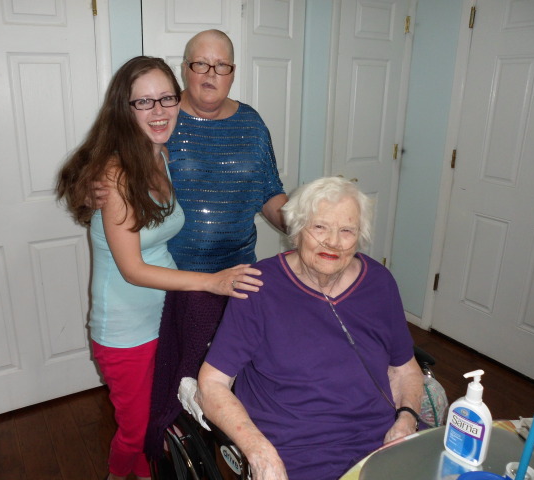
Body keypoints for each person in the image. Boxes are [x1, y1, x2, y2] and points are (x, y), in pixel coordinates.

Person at [55, 56, 262, 480]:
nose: (158, 110)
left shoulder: (160, 155)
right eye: (143, 102)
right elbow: (132, 268)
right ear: (124, 109)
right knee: (133, 432)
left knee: (160, 420)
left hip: (162, 315)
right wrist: (212, 282)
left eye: (166, 98)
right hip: (125, 330)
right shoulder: (116, 176)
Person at [196, 176, 424, 480]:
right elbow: (212, 383)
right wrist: (259, 452)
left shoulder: (379, 283)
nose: (333, 242)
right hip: (295, 453)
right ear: (297, 230)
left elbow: (405, 370)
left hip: (378, 444)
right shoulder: (259, 286)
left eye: (346, 231)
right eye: (320, 227)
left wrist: (407, 418)